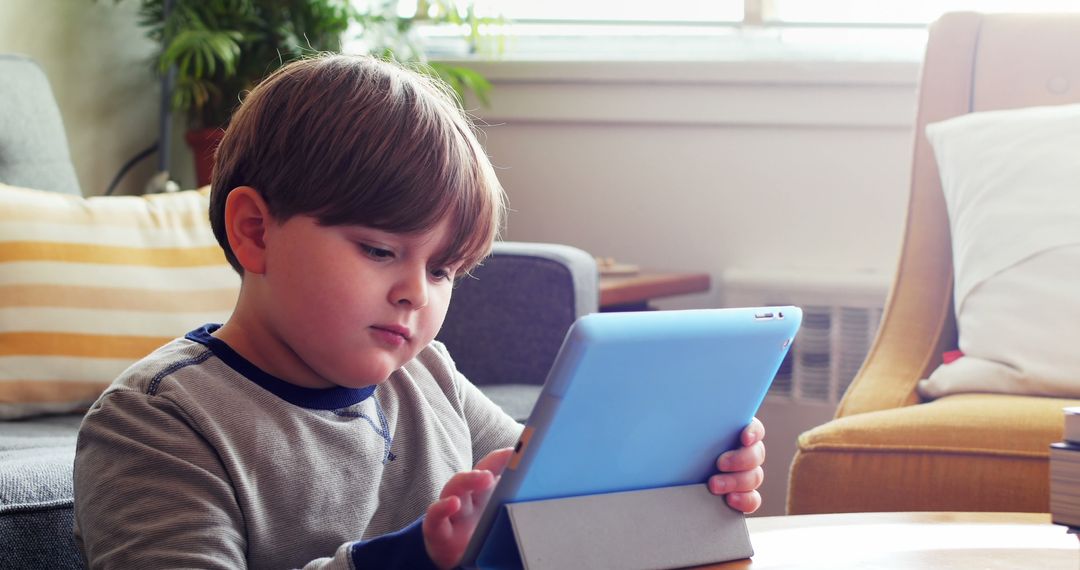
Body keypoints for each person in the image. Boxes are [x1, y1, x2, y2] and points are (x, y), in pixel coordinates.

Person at [73, 54, 767, 569]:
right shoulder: (159, 420)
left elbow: (539, 484)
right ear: (256, 231)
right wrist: (407, 560)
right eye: (380, 250)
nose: (417, 292)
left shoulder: (428, 375)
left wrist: (682, 468)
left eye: (443, 269)